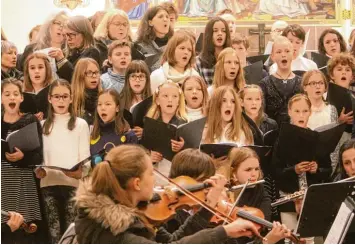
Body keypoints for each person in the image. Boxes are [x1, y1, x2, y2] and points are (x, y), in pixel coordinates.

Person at [73, 144, 261, 243]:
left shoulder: (135, 210)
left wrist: (207, 208)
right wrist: (224, 231)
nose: (155, 180)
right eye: (151, 173)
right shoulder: (113, 232)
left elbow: (172, 240)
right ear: (137, 183)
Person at [36, 79, 90, 243]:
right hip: (48, 184)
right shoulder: (42, 125)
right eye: (57, 96)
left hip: (72, 184)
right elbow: (38, 158)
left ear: (71, 98)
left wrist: (81, 171)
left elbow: (85, 159)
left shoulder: (80, 124)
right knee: (54, 233)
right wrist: (38, 170)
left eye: (65, 96)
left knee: (71, 233)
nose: (61, 101)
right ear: (49, 98)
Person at [1, 78, 44, 243]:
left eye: (15, 94)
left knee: (25, 232)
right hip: (2, 181)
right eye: (7, 94)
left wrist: (23, 156)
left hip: (23, 181)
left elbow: (39, 156)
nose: (11, 98)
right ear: (1, 98)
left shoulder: (30, 120)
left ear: (21, 98)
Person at [259, 36, 302, 125]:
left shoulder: (301, 83)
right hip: (272, 134)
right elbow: (261, 114)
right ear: (273, 56)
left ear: (293, 54)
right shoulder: (264, 84)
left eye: (287, 51)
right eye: (278, 52)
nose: (283, 54)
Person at [90, 89, 137, 165]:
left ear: (117, 108)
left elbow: (132, 166)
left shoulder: (128, 135)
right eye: (99, 104)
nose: (102, 108)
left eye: (107, 104)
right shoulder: (92, 133)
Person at [54, 16, 101, 82]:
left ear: (84, 34)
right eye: (66, 35)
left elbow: (76, 79)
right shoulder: (71, 52)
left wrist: (61, 60)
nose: (68, 39)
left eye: (72, 34)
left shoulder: (92, 52)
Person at [135, 5, 174, 72]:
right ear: (150, 22)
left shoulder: (175, 44)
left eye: (167, 17)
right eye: (160, 17)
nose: (165, 19)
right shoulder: (139, 46)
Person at [196, 17, 231, 85]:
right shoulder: (199, 62)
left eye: (223, 31)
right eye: (215, 31)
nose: (220, 33)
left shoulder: (232, 59)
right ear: (209, 34)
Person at [71, 58, 102, 126]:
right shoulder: (71, 100)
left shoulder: (104, 97)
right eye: (89, 73)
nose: (94, 76)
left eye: (96, 72)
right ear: (80, 75)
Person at [23, 53, 53, 120]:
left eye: (40, 67)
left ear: (47, 69)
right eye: (32, 68)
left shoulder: (54, 90)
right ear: (27, 71)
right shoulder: (20, 94)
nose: (36, 71)